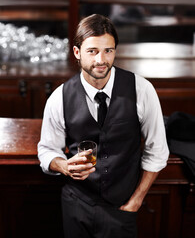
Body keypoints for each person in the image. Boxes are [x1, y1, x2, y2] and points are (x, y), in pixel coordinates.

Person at [38, 14, 169, 238]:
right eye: (93, 51)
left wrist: (136, 201)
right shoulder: (59, 97)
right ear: (77, 53)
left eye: (108, 50)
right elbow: (47, 150)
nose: (101, 60)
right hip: (76, 205)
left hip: (122, 207)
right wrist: (64, 166)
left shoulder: (142, 89)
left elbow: (157, 150)